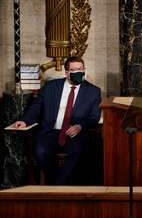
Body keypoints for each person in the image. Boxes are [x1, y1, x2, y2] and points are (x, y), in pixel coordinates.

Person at [13, 56, 102, 185]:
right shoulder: (51, 87)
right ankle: (58, 184)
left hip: (75, 133)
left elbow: (94, 117)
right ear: (66, 72)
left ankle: (56, 186)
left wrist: (80, 126)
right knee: (40, 151)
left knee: (78, 152)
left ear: (84, 70)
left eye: (80, 69)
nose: (78, 72)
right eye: (74, 70)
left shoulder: (93, 91)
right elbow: (36, 107)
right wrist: (25, 121)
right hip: (51, 131)